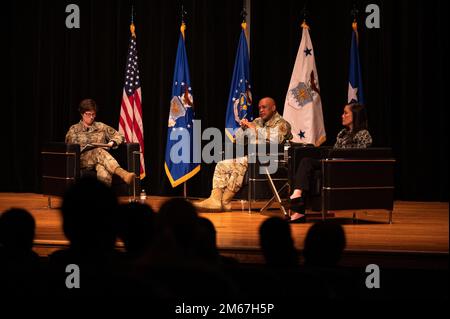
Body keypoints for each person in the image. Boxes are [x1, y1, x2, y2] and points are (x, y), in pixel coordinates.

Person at [194, 97, 293, 211]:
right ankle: (216, 200)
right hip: (252, 159)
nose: (261, 110)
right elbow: (239, 141)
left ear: (273, 108)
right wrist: (243, 129)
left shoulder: (283, 124)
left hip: (271, 161)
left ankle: (224, 201)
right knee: (221, 165)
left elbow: (276, 140)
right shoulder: (257, 121)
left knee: (240, 165)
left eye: (264, 107)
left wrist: (254, 129)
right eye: (259, 107)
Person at [289, 103, 372, 222]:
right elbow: (334, 151)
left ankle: (297, 198)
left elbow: (358, 155)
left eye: (345, 113)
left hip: (346, 168)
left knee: (307, 163)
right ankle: (299, 207)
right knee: (306, 163)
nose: (342, 116)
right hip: (332, 164)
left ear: (355, 115)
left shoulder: (364, 134)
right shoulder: (343, 133)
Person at [65, 98, 135, 186]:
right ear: (82, 114)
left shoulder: (101, 126)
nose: (91, 117)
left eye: (93, 114)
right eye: (88, 114)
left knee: (104, 171)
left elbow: (119, 135)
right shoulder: (74, 129)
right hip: (82, 160)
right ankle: (122, 173)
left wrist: (112, 142)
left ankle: (101, 198)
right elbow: (69, 147)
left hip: (100, 160)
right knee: (98, 151)